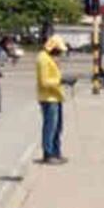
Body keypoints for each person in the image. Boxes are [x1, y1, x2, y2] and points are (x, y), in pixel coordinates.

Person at [36, 36, 68, 164]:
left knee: (58, 127)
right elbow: (44, 82)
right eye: (58, 50)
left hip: (56, 96)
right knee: (50, 127)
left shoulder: (50, 58)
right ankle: (48, 154)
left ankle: (56, 152)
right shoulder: (43, 59)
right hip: (48, 98)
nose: (60, 53)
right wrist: (60, 81)